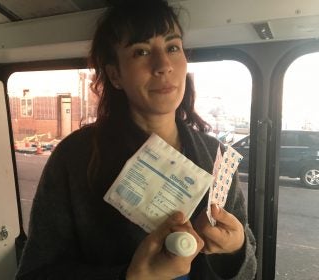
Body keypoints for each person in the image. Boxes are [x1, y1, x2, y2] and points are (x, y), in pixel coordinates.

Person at [16, 0, 257, 279]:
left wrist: (236, 249)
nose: (163, 65)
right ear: (115, 74)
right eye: (141, 51)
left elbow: (247, 267)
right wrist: (130, 277)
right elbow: (35, 272)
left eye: (172, 47)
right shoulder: (76, 157)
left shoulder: (217, 157)